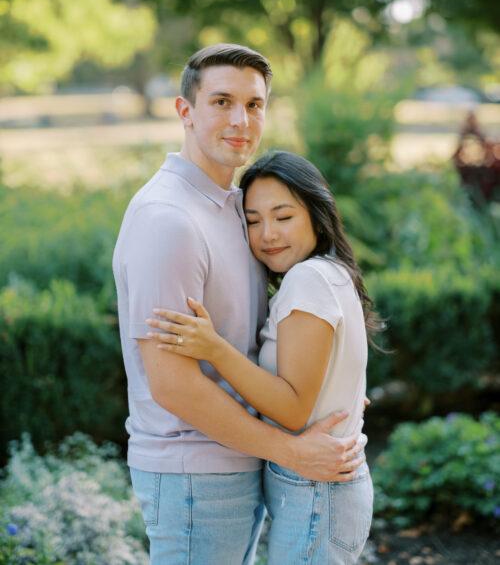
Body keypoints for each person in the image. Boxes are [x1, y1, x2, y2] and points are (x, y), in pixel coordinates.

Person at [113, 44, 365, 565]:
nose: (241, 120)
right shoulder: (169, 220)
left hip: (237, 460)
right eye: (222, 101)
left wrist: (331, 395)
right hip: (193, 474)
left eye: (254, 105)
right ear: (186, 111)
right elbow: (173, 382)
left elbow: (264, 342)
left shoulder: (239, 208)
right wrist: (290, 450)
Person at [147, 150, 377, 564]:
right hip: (317, 492)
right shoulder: (330, 273)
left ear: (316, 213)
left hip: (317, 494)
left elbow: (292, 408)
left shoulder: (308, 279)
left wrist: (214, 348)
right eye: (253, 221)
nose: (268, 233)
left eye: (284, 217)